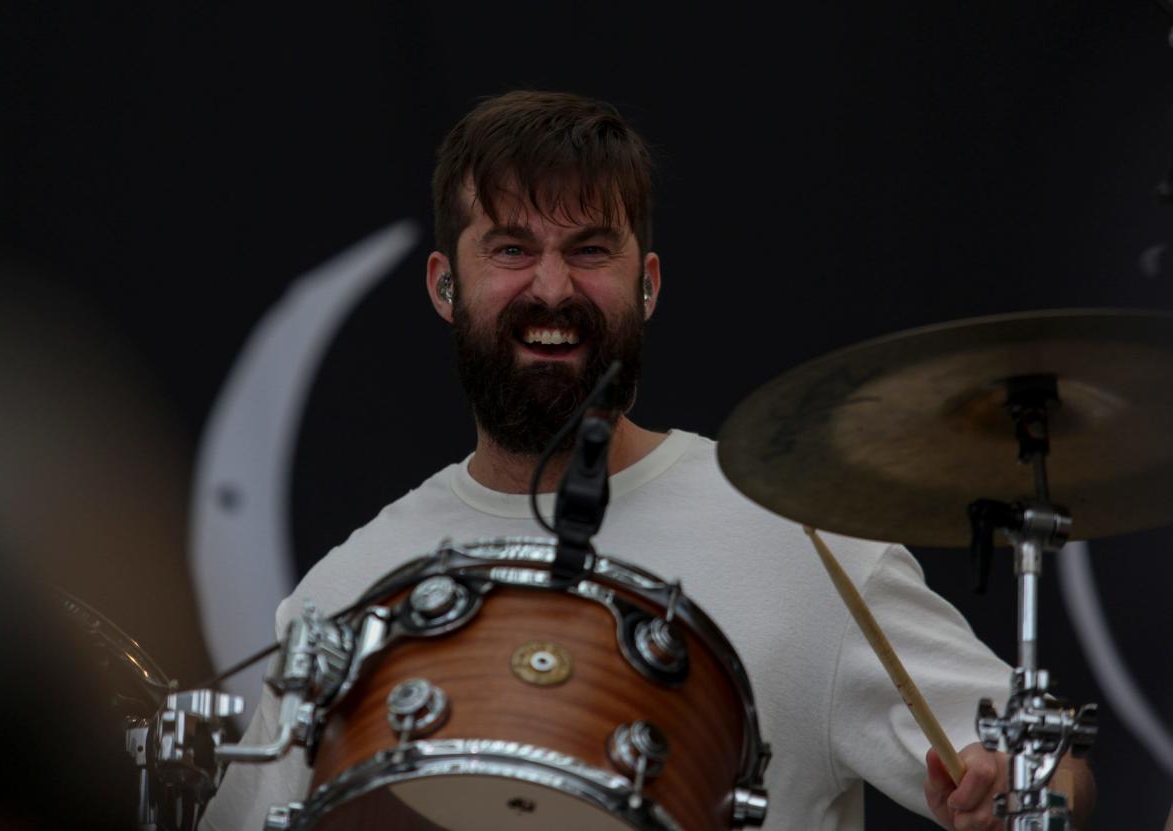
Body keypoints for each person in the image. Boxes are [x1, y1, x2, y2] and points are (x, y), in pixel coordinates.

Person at [200, 90, 1094, 831]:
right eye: (511, 248)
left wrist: (1013, 791)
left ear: (648, 284)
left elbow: (1045, 771)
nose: (551, 289)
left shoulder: (801, 539)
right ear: (444, 285)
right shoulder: (345, 595)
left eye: (590, 249)